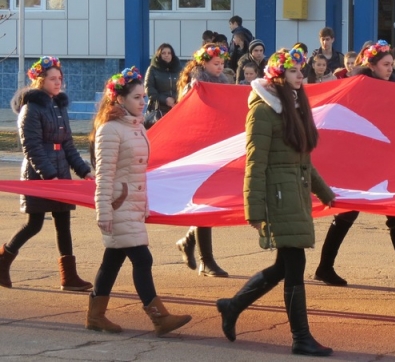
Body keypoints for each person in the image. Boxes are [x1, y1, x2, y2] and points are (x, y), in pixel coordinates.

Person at [216, 47, 335, 356]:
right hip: (279, 196)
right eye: (295, 71)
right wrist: (253, 209)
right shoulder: (262, 110)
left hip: (295, 191)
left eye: (302, 71)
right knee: (294, 263)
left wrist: (325, 192)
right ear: (280, 75)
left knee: (285, 264)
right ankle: (301, 337)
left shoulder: (293, 104)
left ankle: (233, 305)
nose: (302, 76)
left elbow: (303, 159)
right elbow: (255, 162)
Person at [314, 40, 395, 289]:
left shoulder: (388, 87)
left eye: (390, 65)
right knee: (348, 214)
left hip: (380, 162)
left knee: (391, 214)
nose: (390, 69)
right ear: (371, 65)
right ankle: (325, 266)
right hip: (360, 163)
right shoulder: (359, 88)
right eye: (385, 65)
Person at [87, 67, 192, 337]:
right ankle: (159, 318)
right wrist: (104, 211)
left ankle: (95, 315)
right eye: (137, 97)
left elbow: (137, 172)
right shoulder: (110, 130)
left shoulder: (136, 127)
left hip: (131, 205)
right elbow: (105, 174)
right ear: (120, 99)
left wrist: (143, 203)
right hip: (117, 205)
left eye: (144, 96)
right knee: (142, 258)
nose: (143, 101)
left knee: (112, 261)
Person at [0, 56, 94, 291]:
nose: (58, 82)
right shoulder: (30, 109)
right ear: (40, 81)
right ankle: (2, 261)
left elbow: (68, 144)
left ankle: (69, 277)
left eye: (60, 78)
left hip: (61, 171)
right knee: (35, 224)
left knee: (64, 223)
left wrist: (84, 171)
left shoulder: (59, 106)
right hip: (38, 174)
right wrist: (49, 176)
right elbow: (31, 147)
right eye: (53, 79)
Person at [174, 43, 231, 277]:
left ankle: (188, 240)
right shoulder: (194, 85)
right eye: (216, 64)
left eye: (222, 64)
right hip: (198, 150)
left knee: (215, 200)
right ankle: (205, 260)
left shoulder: (224, 83)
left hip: (218, 148)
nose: (220, 67)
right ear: (203, 63)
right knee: (204, 202)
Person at [144, 43, 180, 119]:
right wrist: (165, 99)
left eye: (169, 53)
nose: (166, 55)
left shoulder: (179, 69)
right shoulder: (153, 69)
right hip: (158, 108)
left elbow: (183, 85)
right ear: (159, 55)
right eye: (163, 53)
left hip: (176, 107)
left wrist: (175, 98)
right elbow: (148, 88)